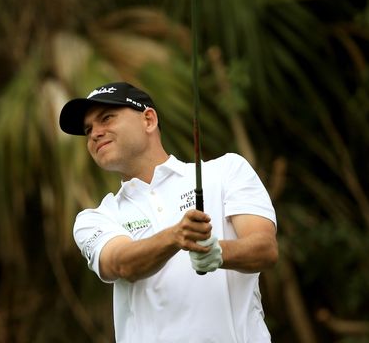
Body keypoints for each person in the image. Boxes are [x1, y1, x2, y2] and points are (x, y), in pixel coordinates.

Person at [59, 82, 278, 342]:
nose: (95, 133)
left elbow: (265, 248)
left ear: (148, 120)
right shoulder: (95, 217)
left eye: (106, 118)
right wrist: (176, 237)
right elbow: (119, 262)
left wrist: (218, 252)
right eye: (88, 129)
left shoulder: (226, 171)